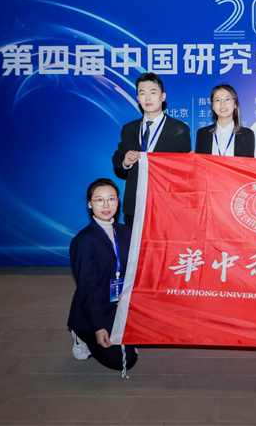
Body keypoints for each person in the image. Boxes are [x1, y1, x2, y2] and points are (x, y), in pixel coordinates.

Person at [67, 178, 138, 376]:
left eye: (111, 199)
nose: (106, 205)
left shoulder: (128, 232)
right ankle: (81, 333)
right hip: (96, 306)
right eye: (99, 200)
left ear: (118, 201)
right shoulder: (83, 241)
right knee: (123, 360)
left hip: (121, 302)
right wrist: (98, 327)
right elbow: (86, 288)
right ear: (90, 204)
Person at [112, 72, 190, 228]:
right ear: (138, 98)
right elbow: (118, 160)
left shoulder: (179, 129)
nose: (147, 98)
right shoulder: (129, 129)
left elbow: (183, 172)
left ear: (163, 96)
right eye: (142, 93)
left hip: (166, 206)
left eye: (153, 92)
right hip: (135, 205)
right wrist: (125, 162)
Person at [195, 84, 255, 157]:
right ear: (213, 106)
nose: (222, 104)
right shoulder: (202, 134)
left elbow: (249, 163)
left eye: (227, 99)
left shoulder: (247, 135)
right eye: (217, 100)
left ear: (235, 104)